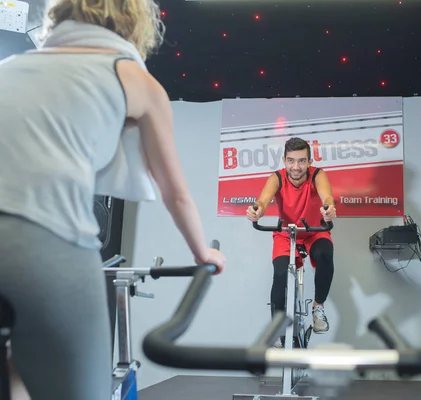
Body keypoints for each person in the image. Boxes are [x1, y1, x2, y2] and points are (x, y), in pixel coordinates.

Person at [0, 0, 226, 399]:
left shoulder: (10, 68)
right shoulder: (134, 78)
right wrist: (202, 253)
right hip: (48, 246)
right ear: (135, 24)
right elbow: (175, 192)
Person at [247, 137, 336, 344]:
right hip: (286, 233)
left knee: (325, 253)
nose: (296, 167)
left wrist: (329, 208)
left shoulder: (317, 175)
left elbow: (327, 197)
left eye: (302, 161)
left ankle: (318, 307)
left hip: (314, 231)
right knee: (279, 277)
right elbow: (263, 200)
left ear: (309, 161)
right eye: (291, 161)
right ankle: (279, 330)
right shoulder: (277, 177)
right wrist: (257, 211)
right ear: (284, 160)